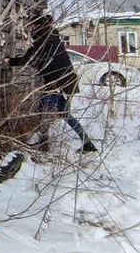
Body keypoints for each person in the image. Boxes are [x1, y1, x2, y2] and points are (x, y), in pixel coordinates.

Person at [8, 12, 97, 153]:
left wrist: (8, 61)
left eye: (32, 25)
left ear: (39, 26)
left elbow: (28, 60)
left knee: (43, 110)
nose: (30, 28)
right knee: (64, 113)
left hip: (57, 84)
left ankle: (43, 144)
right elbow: (40, 61)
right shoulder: (53, 38)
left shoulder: (44, 41)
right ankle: (87, 142)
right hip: (68, 82)